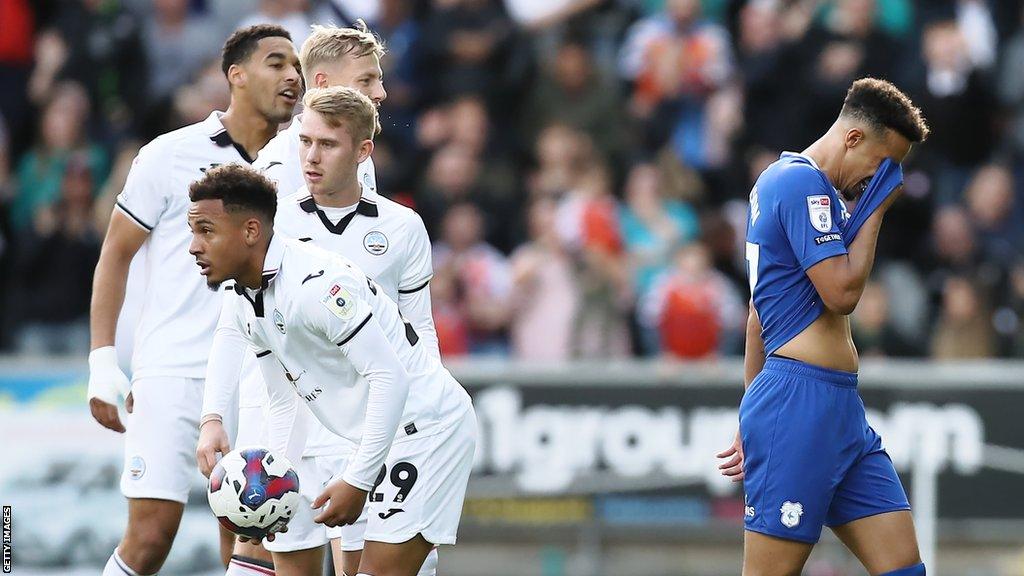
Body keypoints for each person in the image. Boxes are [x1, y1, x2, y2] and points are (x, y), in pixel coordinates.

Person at [200, 25, 440, 574]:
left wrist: (422, 398)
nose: (380, 92)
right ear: (323, 83)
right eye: (368, 80)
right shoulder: (272, 185)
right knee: (265, 540)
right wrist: (215, 412)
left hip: (357, 401)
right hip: (287, 399)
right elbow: (236, 319)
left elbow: (404, 314)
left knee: (352, 550)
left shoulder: (366, 177)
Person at [186, 156, 476, 576]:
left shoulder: (316, 287)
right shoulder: (246, 299)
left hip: (427, 429)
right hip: (382, 434)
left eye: (205, 231)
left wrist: (358, 479)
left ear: (251, 231)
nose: (194, 246)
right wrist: (271, 488)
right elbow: (284, 401)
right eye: (193, 231)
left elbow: (390, 378)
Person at [87, 25, 300, 576]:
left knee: (249, 533)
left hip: (260, 374)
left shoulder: (303, 163)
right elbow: (115, 254)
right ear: (237, 75)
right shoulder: (170, 154)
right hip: (174, 369)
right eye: (277, 63)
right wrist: (102, 359)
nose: (292, 76)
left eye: (296, 66)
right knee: (151, 536)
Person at [716, 78, 930, 576]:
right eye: (881, 165)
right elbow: (843, 293)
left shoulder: (805, 190)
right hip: (798, 404)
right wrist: (876, 205)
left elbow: (757, 318)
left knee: (904, 569)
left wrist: (751, 413)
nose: (878, 179)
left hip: (837, 409)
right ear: (854, 139)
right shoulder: (799, 182)